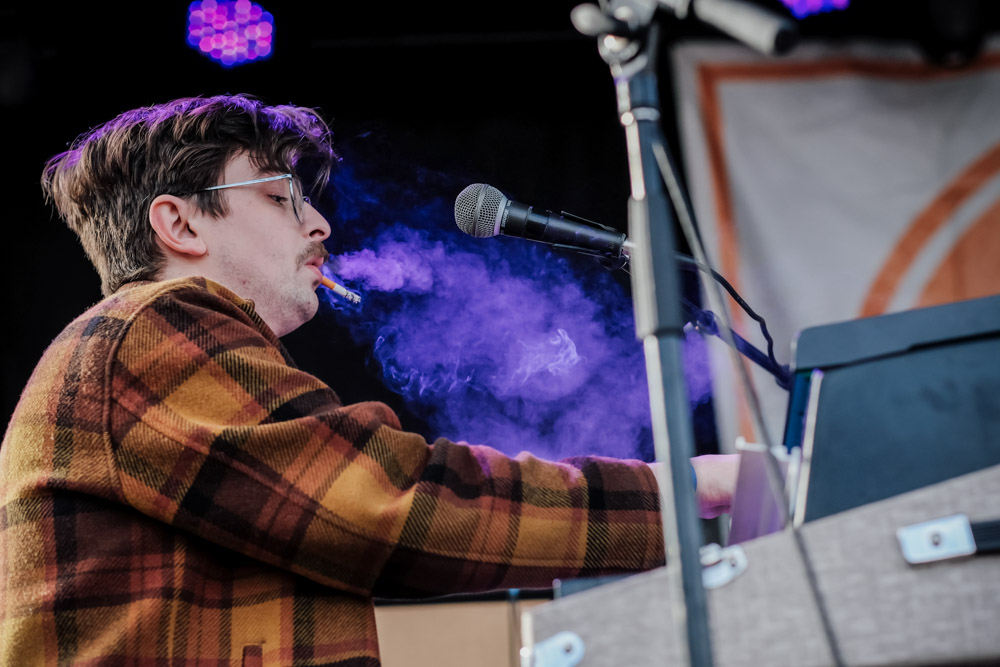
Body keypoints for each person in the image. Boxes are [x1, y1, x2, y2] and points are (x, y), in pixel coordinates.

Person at [0, 94, 737, 666]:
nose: (318, 224)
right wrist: (688, 490)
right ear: (181, 225)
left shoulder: (150, 344)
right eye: (281, 198)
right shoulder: (155, 327)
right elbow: (394, 504)